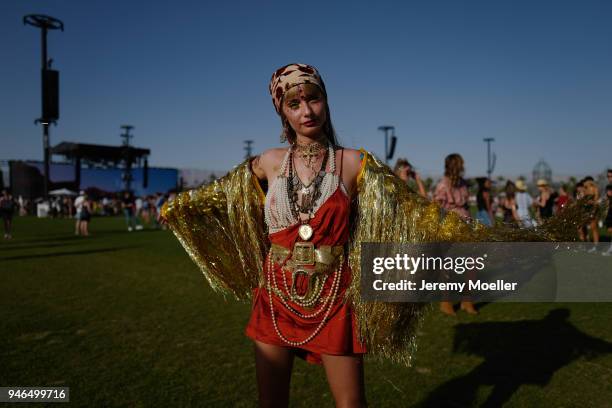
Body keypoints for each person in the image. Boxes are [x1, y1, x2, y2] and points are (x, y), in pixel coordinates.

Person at [159, 63, 585, 407]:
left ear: (326, 101)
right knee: (271, 402)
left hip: (334, 296)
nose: (306, 110)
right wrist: (175, 207)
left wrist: (498, 239)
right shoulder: (268, 162)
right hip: (276, 295)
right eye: (294, 103)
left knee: (351, 403)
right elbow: (217, 197)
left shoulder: (353, 162)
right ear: (282, 111)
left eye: (314, 98)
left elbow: (416, 212)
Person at [433, 154, 477, 315]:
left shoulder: (464, 183)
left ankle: (467, 300)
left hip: (466, 223)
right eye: (460, 164)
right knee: (448, 264)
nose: (463, 166)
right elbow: (436, 206)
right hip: (450, 225)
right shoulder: (443, 184)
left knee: (472, 263)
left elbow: (466, 203)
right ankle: (446, 301)